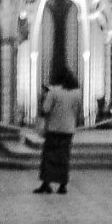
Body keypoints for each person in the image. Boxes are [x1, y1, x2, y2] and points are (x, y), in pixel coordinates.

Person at [33, 66, 82, 195]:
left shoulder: (54, 92)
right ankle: (62, 185)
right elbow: (78, 111)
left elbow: (46, 109)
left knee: (49, 157)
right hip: (68, 129)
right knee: (63, 157)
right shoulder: (77, 92)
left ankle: (46, 183)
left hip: (54, 129)